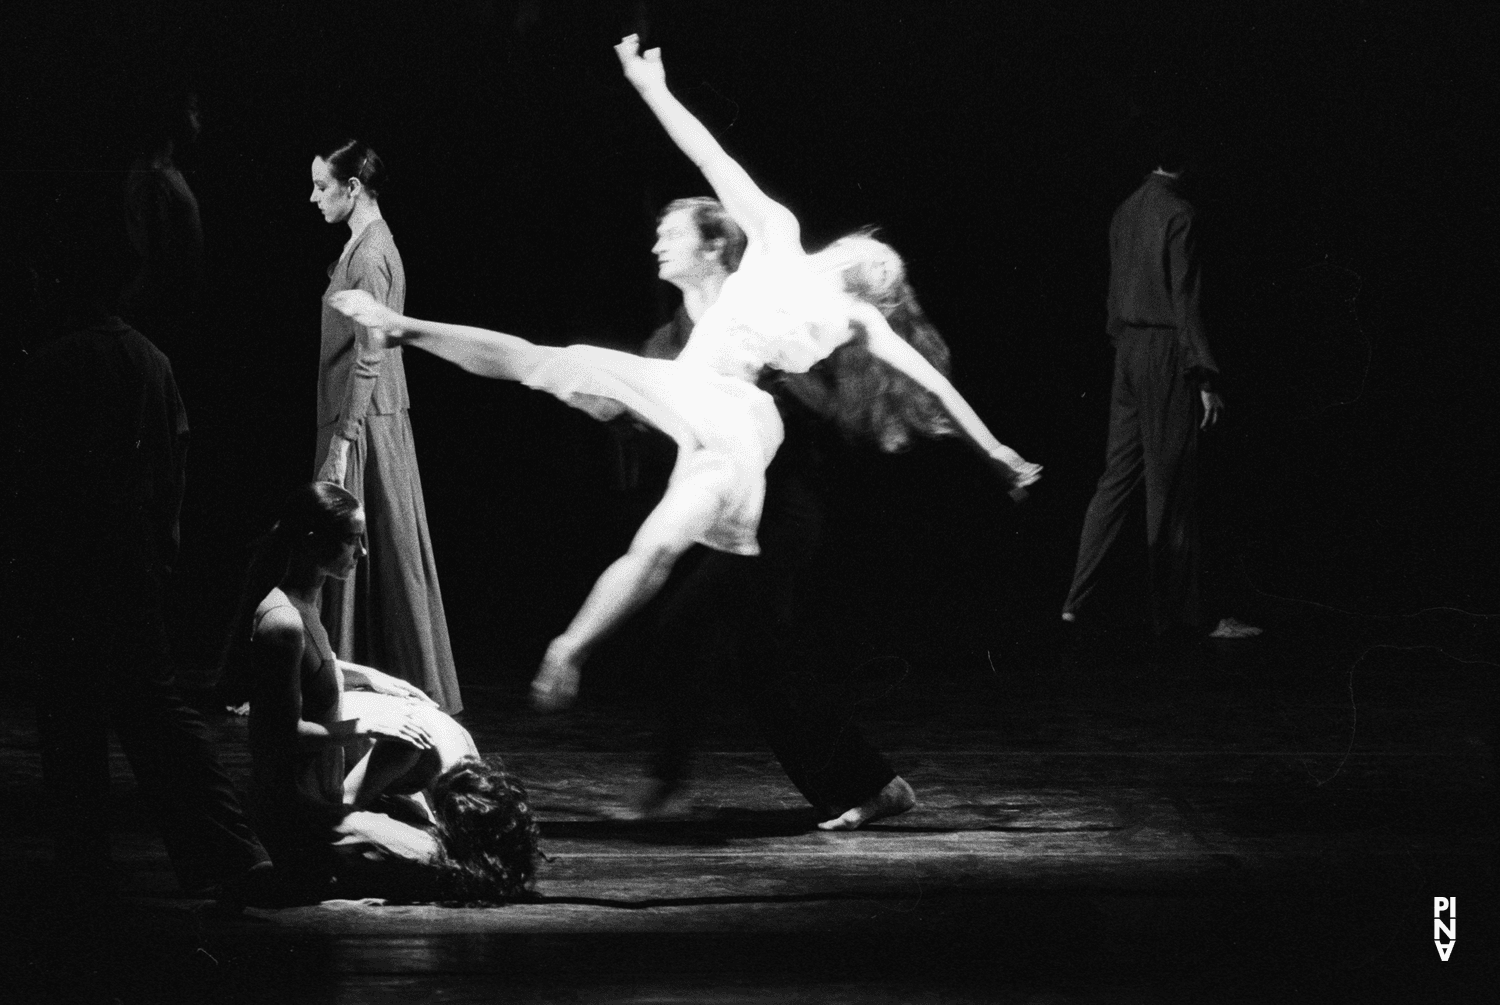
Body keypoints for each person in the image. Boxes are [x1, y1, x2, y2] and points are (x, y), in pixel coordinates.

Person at [327, 34, 1040, 714]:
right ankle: (404, 328)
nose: (879, 264)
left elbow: (935, 385)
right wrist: (652, 86)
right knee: (553, 361)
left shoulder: (861, 322)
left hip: (736, 419)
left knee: (664, 540)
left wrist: (996, 451)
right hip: (686, 386)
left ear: (876, 291)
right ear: (852, 244)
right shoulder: (775, 235)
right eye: (879, 255)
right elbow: (712, 156)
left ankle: (569, 647)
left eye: (886, 277)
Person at [628, 197, 914, 828]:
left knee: (700, 630)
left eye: (671, 236)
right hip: (733, 504)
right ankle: (871, 783)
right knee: (756, 653)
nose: (657, 247)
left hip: (782, 506)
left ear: (713, 250)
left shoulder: (758, 307)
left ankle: (671, 783)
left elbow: (806, 402)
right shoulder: (680, 326)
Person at [13, 222, 270, 899]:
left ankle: (85, 858)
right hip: (129, 561)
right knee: (153, 708)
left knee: (72, 713)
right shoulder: (151, 360)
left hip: (70, 564)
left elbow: (32, 475)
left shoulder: (54, 362)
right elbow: (174, 463)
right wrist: (164, 544)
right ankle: (226, 851)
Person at [226, 481, 538, 903]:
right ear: (315, 540)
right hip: (296, 812)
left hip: (328, 787)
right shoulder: (282, 622)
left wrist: (373, 678)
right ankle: (319, 856)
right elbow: (279, 736)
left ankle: (354, 820)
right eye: (353, 540)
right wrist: (364, 725)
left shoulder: (306, 598)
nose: (362, 552)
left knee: (414, 745)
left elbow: (315, 664)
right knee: (450, 863)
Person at [1060, 134, 1260, 640]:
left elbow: (1113, 292)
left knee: (1118, 477)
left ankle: (1075, 602)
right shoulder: (1180, 212)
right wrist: (1205, 376)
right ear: (1187, 161)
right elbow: (1185, 299)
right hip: (1166, 352)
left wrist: (1124, 347)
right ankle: (1180, 616)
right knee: (1169, 485)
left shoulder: (1125, 210)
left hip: (1126, 350)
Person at [310, 140, 462, 713]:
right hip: (358, 411)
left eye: (322, 186)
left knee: (371, 545)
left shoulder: (372, 253)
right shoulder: (363, 245)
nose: (313, 197)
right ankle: (341, 677)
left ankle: (347, 682)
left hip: (365, 417)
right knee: (371, 545)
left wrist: (345, 440)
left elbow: (371, 351)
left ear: (353, 188)